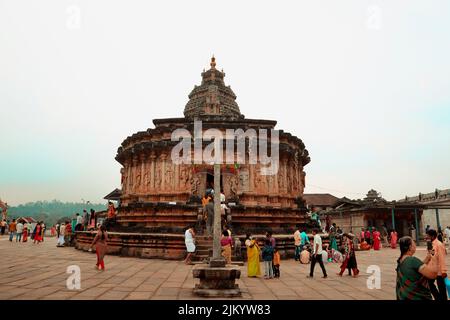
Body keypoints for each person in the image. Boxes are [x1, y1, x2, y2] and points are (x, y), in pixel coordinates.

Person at [426, 229, 448, 300]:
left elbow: (441, 258)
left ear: (432, 236)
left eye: (428, 236)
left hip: (439, 271)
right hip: (432, 269)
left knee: (442, 289)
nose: (426, 237)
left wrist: (443, 271)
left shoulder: (439, 244)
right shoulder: (432, 244)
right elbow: (432, 255)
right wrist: (429, 250)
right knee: (429, 284)